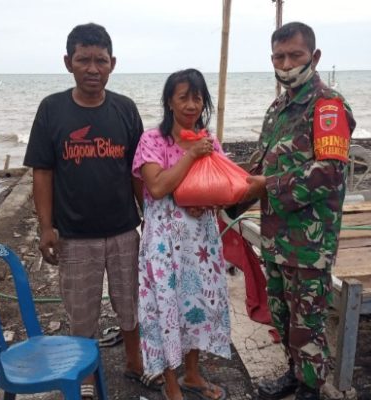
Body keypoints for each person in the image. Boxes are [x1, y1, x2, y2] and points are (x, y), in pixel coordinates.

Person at [23, 22, 162, 397]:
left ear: (112, 63)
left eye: (100, 60)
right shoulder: (52, 109)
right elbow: (43, 172)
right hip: (75, 236)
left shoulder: (125, 109)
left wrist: (149, 217)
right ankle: (84, 376)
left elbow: (137, 170)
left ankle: (135, 363)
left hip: (123, 230)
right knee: (81, 311)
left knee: (131, 304)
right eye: (83, 59)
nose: (92, 68)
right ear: (68, 62)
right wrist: (46, 227)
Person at [242, 22, 356, 400]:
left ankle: (310, 388)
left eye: (296, 55)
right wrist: (221, 192)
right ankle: (294, 373)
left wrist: (267, 185)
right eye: (279, 57)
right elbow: (258, 165)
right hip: (275, 236)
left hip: (310, 241)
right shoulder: (277, 108)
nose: (287, 64)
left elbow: (330, 172)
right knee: (281, 313)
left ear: (314, 57)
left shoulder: (327, 105)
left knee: (308, 321)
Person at [132, 68, 231, 400]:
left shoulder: (208, 141)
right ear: (169, 102)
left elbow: (223, 186)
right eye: (183, 97)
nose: (191, 105)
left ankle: (192, 374)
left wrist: (207, 201)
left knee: (196, 305)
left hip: (200, 241)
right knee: (166, 308)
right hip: (164, 241)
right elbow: (157, 187)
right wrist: (191, 155)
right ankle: (171, 384)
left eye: (197, 97)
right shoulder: (152, 140)